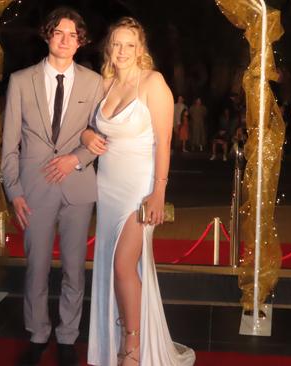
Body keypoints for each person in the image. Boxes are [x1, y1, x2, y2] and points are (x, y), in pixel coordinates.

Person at [81, 17, 195, 366]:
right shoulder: (106, 84)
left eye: (130, 44)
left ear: (140, 49)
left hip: (139, 189)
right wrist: (87, 136)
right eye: (116, 44)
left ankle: (132, 346)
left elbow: (164, 143)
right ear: (108, 48)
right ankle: (122, 335)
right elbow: (88, 127)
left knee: (122, 265)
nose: (122, 51)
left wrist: (158, 192)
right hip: (108, 187)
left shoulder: (154, 83)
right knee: (119, 266)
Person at [0, 7, 103, 366]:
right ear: (47, 35)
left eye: (72, 34)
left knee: (74, 267)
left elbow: (100, 136)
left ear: (80, 41)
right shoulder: (20, 81)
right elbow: (9, 144)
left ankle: (67, 336)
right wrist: (13, 192)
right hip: (34, 188)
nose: (65, 39)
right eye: (58, 32)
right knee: (37, 267)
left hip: (77, 187)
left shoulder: (94, 83)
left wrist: (75, 158)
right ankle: (38, 333)